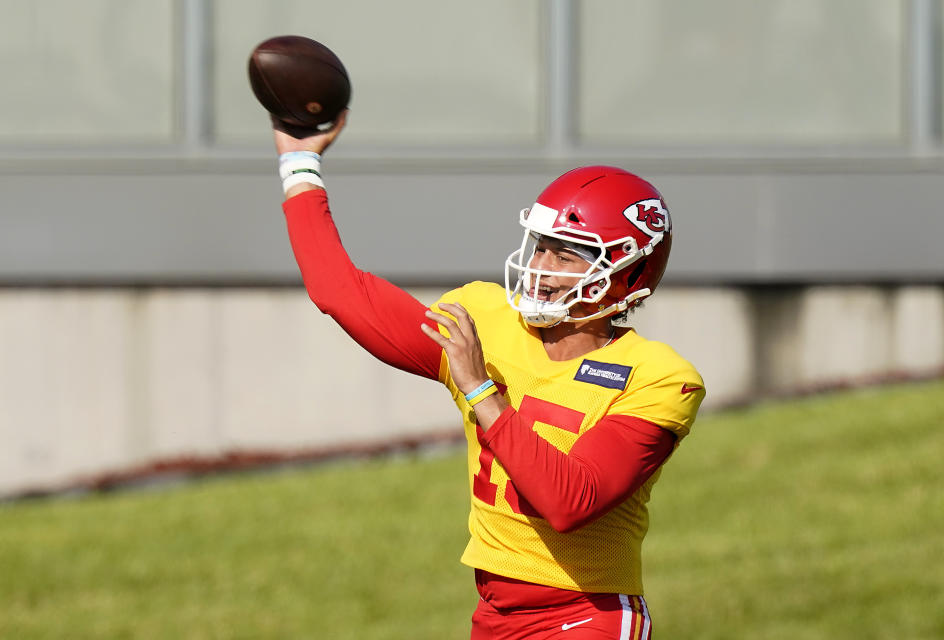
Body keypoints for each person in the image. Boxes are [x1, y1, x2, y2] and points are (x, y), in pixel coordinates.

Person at [273, 111, 705, 639]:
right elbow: (341, 293)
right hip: (496, 616)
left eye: (568, 254)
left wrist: (482, 389)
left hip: (586, 614)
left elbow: (572, 502)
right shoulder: (486, 318)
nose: (541, 265)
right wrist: (299, 162)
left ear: (628, 271)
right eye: (540, 245)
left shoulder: (659, 377)